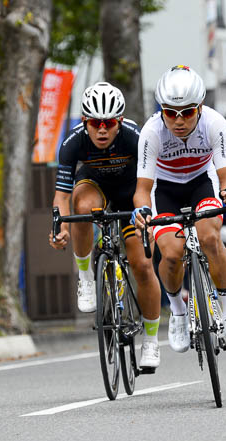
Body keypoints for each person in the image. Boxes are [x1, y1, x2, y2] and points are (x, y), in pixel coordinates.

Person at [132, 65, 226, 351]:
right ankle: (179, 313)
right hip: (165, 189)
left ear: (201, 107)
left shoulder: (214, 122)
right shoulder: (151, 131)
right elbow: (143, 191)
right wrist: (142, 212)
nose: (179, 120)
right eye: (170, 112)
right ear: (161, 110)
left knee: (210, 237)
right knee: (171, 255)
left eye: (187, 112)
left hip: (202, 182)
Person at [48, 82, 163, 370]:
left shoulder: (137, 138)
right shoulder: (72, 143)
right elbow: (61, 196)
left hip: (131, 193)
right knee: (82, 207)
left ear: (120, 122)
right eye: (95, 123)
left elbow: (151, 185)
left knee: (143, 265)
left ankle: (150, 341)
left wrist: (148, 217)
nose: (102, 129)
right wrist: (58, 227)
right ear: (85, 121)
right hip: (94, 185)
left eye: (109, 123)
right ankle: (86, 279)